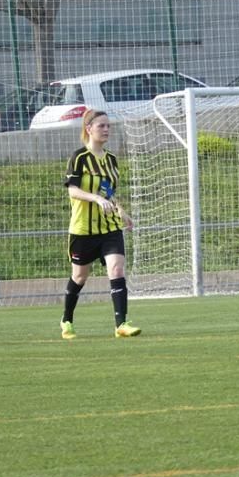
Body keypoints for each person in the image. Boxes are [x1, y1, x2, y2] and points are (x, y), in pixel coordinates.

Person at [61, 109, 140, 340]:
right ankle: (66, 320)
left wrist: (120, 210)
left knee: (116, 268)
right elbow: (72, 190)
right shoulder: (79, 158)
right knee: (80, 277)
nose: (106, 130)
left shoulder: (112, 160)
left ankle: (121, 324)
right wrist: (95, 198)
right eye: (101, 126)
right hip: (83, 229)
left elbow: (108, 192)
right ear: (89, 129)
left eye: (108, 126)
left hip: (109, 228)